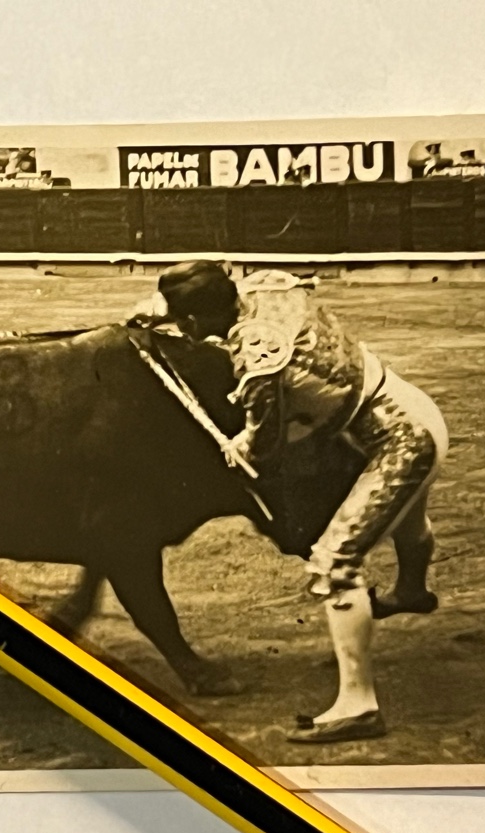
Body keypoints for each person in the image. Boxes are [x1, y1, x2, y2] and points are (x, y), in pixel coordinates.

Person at [137, 260, 448, 742]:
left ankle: (359, 706)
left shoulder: (257, 361)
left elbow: (264, 444)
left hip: (399, 441)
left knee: (334, 562)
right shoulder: (266, 284)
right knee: (408, 519)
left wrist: (236, 446)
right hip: (410, 404)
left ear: (196, 322)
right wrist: (158, 311)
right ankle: (411, 590)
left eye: (186, 322)